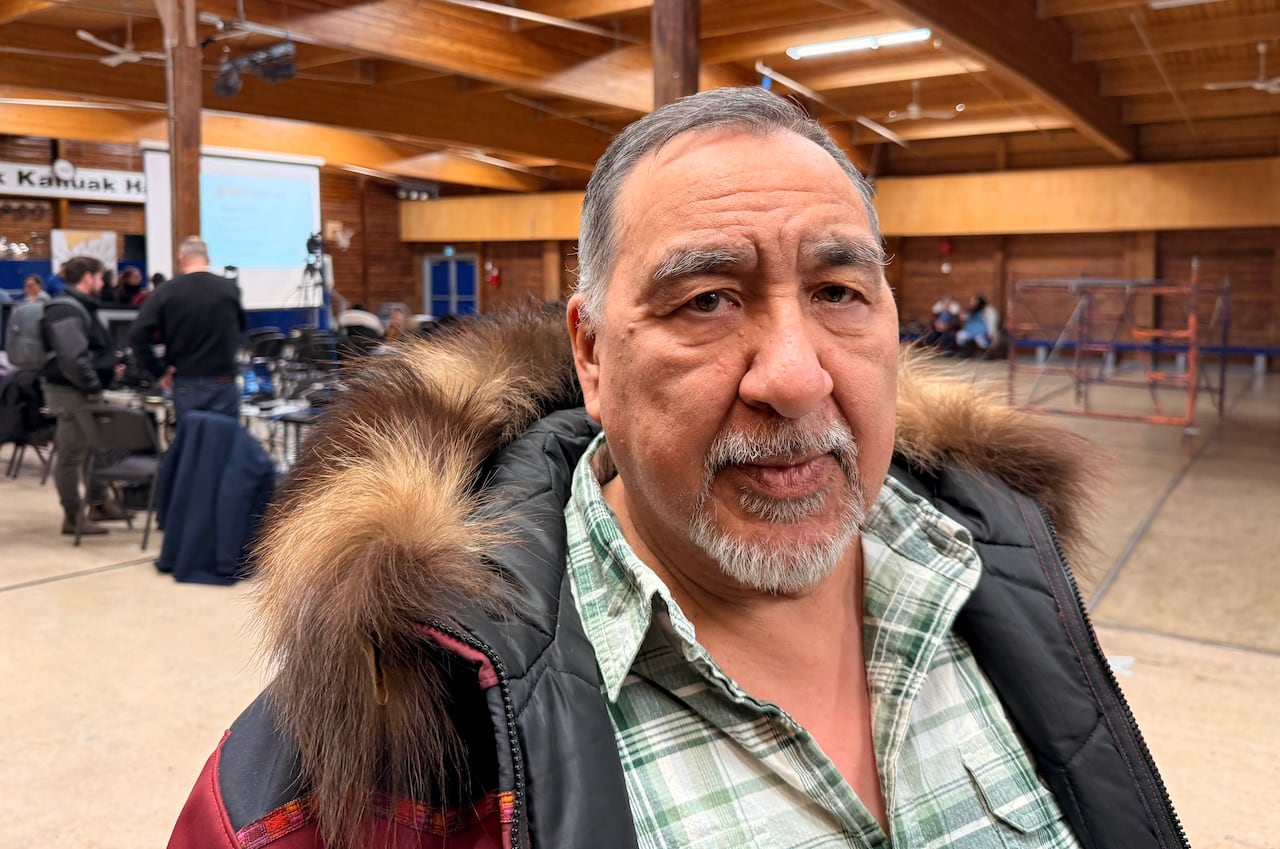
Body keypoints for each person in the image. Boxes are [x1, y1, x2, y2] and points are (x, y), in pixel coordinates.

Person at [169, 88, 1184, 849]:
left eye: (837, 290)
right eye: (705, 300)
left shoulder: (1004, 576)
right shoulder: (364, 754)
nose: (794, 378)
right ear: (592, 356)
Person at [38, 255, 128, 535]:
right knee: (71, 453)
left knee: (95, 448)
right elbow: (72, 358)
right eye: (100, 278)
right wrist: (92, 386)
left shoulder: (80, 307)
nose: (102, 284)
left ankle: (100, 503)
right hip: (70, 392)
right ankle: (73, 516)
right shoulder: (65, 310)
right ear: (87, 277)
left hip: (81, 389)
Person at [130, 236, 244, 424]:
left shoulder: (166, 291)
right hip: (223, 379)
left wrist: (158, 371)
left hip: (186, 380)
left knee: (192, 443)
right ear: (207, 259)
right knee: (225, 443)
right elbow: (240, 329)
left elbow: (137, 335)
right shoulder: (229, 289)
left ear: (180, 257)